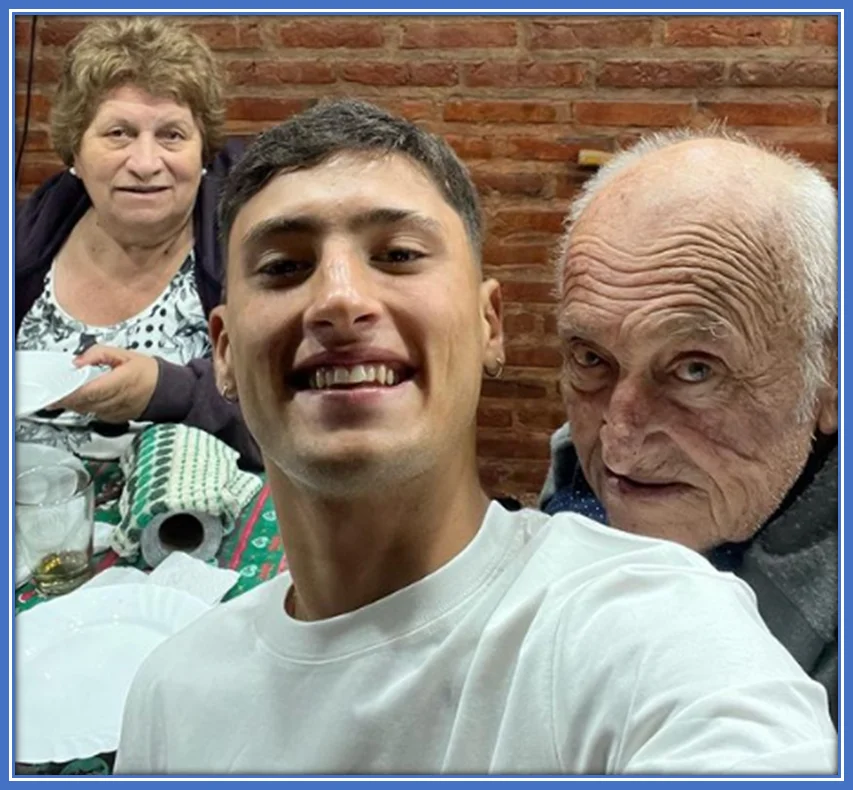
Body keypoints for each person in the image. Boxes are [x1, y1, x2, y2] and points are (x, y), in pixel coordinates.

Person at [114, 100, 835, 776]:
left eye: (397, 255)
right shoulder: (169, 694)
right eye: (284, 267)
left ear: (489, 323)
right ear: (224, 351)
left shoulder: (653, 619)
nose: (337, 297)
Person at [539, 129, 838, 725]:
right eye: (592, 358)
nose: (619, 442)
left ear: (828, 376)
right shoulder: (576, 473)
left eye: (695, 369)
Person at [16, 16, 259, 467]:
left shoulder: (249, 254)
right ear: (76, 153)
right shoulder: (25, 241)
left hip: (187, 527)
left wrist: (167, 392)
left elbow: (295, 419)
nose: (145, 163)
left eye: (171, 135)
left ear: (202, 153)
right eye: (118, 133)